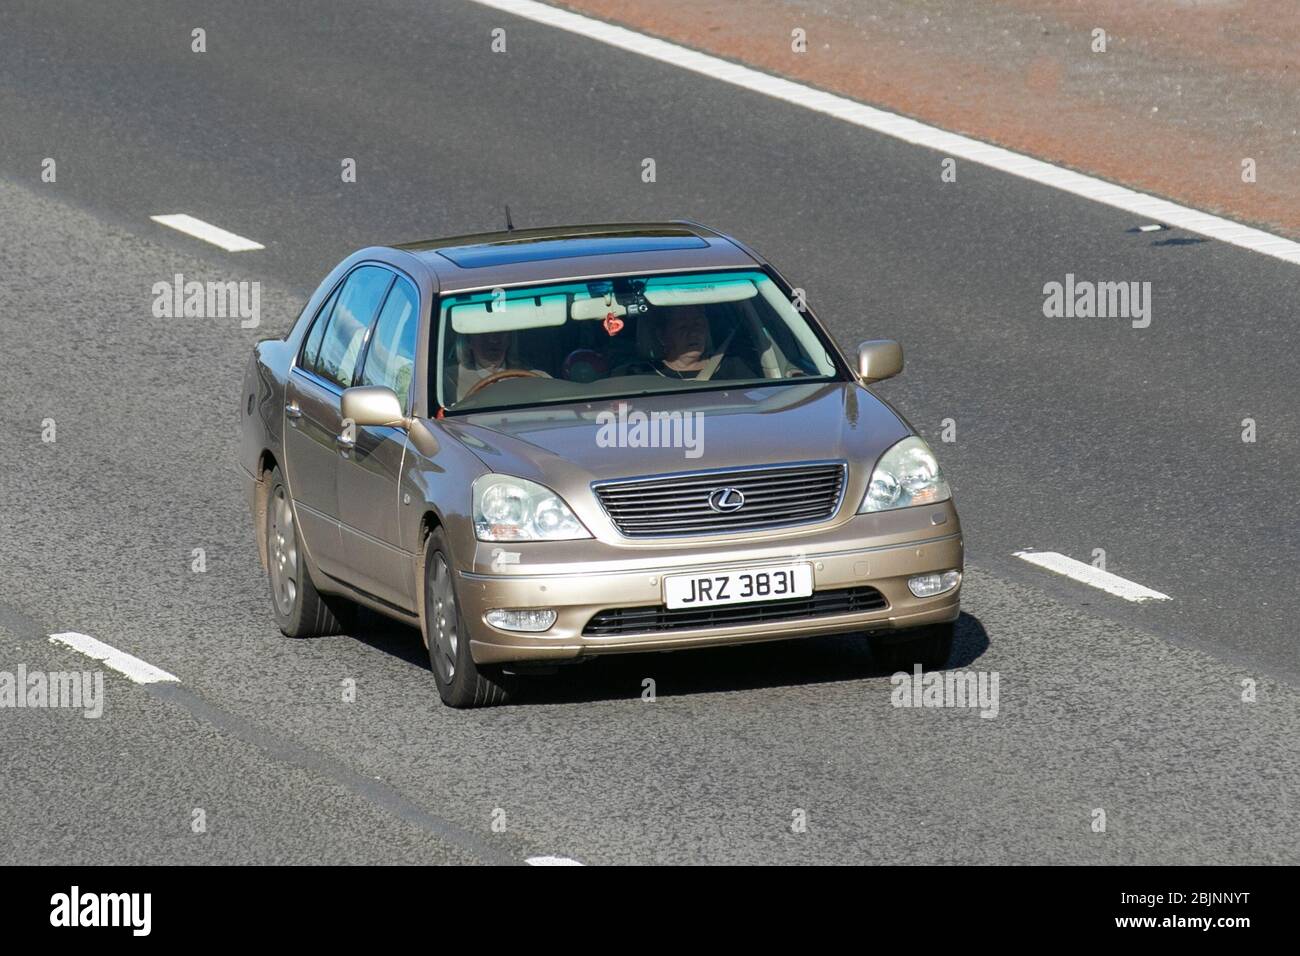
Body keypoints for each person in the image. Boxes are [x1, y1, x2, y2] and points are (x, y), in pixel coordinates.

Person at [618, 305, 754, 380]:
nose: (693, 333)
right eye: (682, 327)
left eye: (698, 324)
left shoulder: (733, 367)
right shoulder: (641, 376)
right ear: (662, 336)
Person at [445, 331, 549, 402]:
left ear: (509, 339)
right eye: (484, 333)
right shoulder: (450, 380)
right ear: (468, 341)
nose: (493, 340)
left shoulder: (537, 377)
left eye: (500, 333)